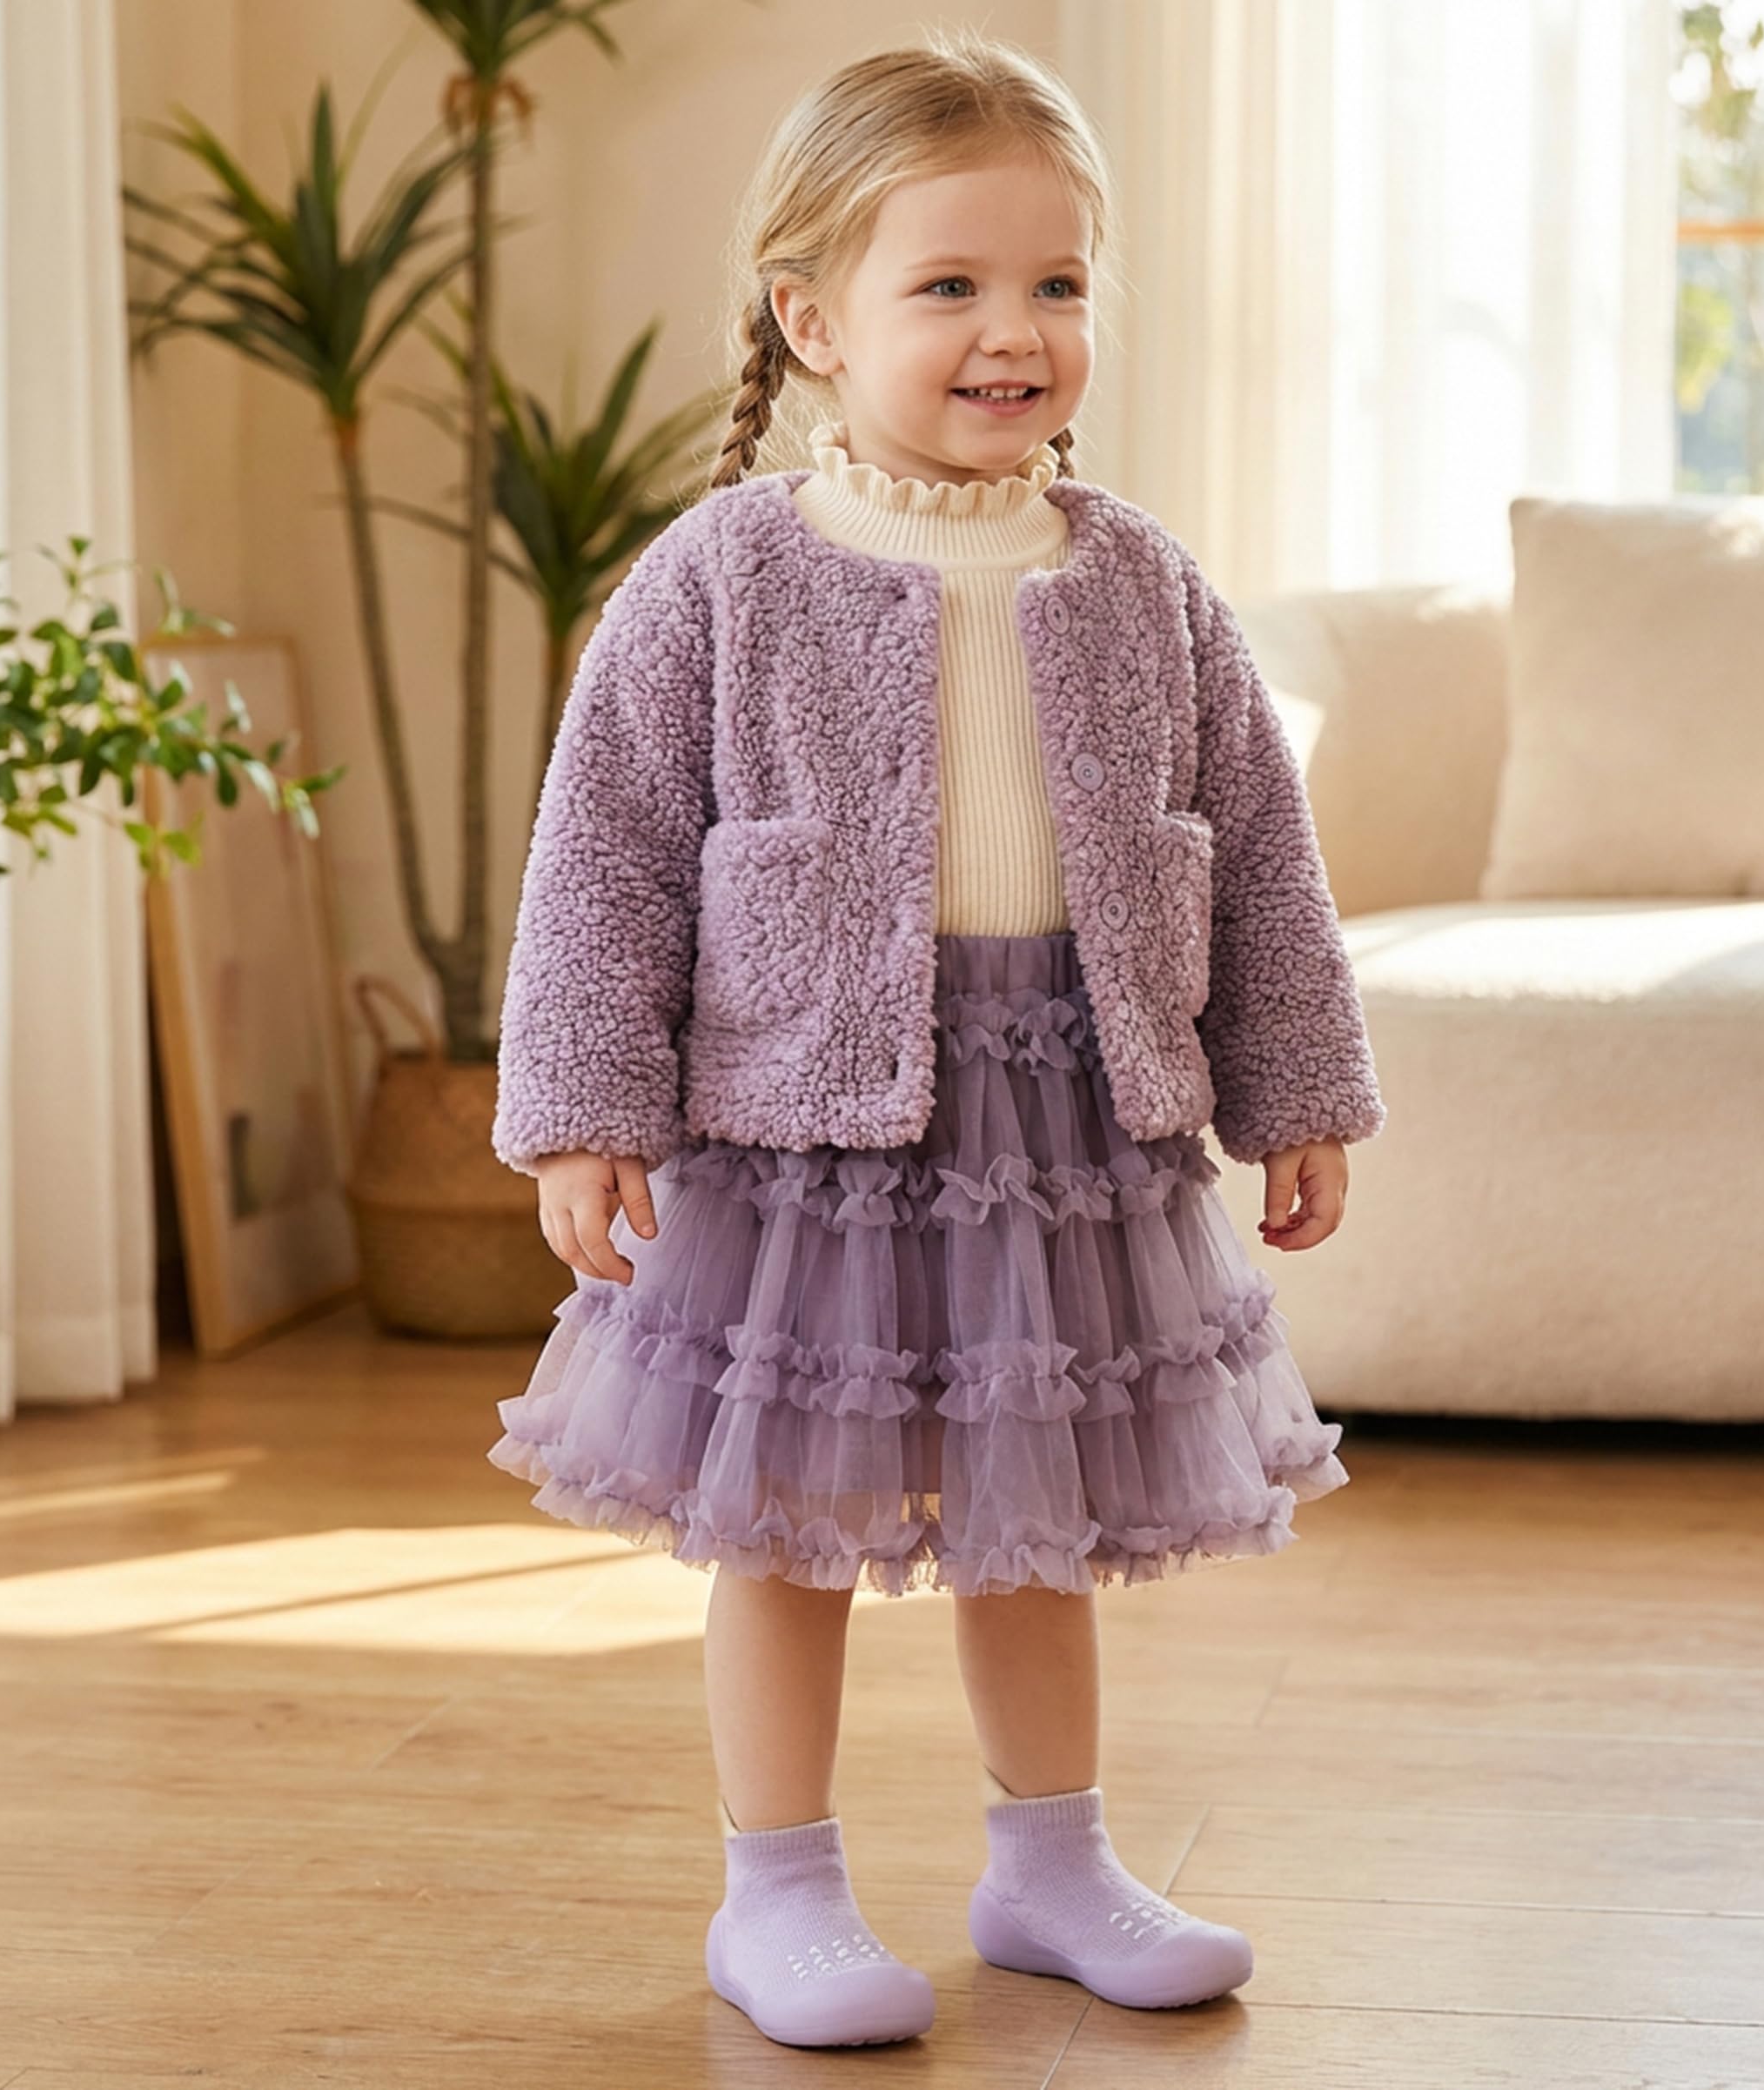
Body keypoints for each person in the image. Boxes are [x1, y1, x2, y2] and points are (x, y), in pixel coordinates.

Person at [486, 29, 1387, 2053]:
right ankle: (778, 1887)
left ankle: (1049, 1864)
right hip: (797, 1130)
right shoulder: (720, 578)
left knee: (1031, 1514)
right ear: (811, 319)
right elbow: (602, 857)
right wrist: (583, 1111)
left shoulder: (1143, 581)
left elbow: (1260, 852)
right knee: (783, 1523)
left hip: (1062, 1116)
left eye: (1055, 283)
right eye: (952, 285)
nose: (1015, 331)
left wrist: (1298, 1089)